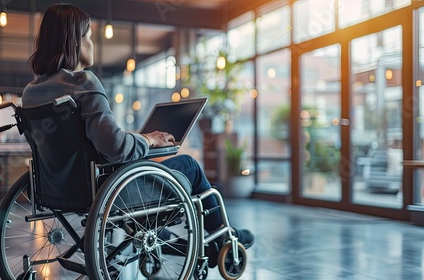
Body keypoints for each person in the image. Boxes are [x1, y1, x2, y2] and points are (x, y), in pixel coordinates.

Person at [21, 3, 253, 266]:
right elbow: (116, 148)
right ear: (75, 43)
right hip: (107, 192)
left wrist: (134, 137)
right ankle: (226, 241)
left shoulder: (31, 92)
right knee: (188, 166)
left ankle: (198, 243)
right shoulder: (82, 82)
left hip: (60, 189)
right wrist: (149, 139)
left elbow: (89, 140)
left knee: (164, 177)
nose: (92, 43)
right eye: (89, 36)